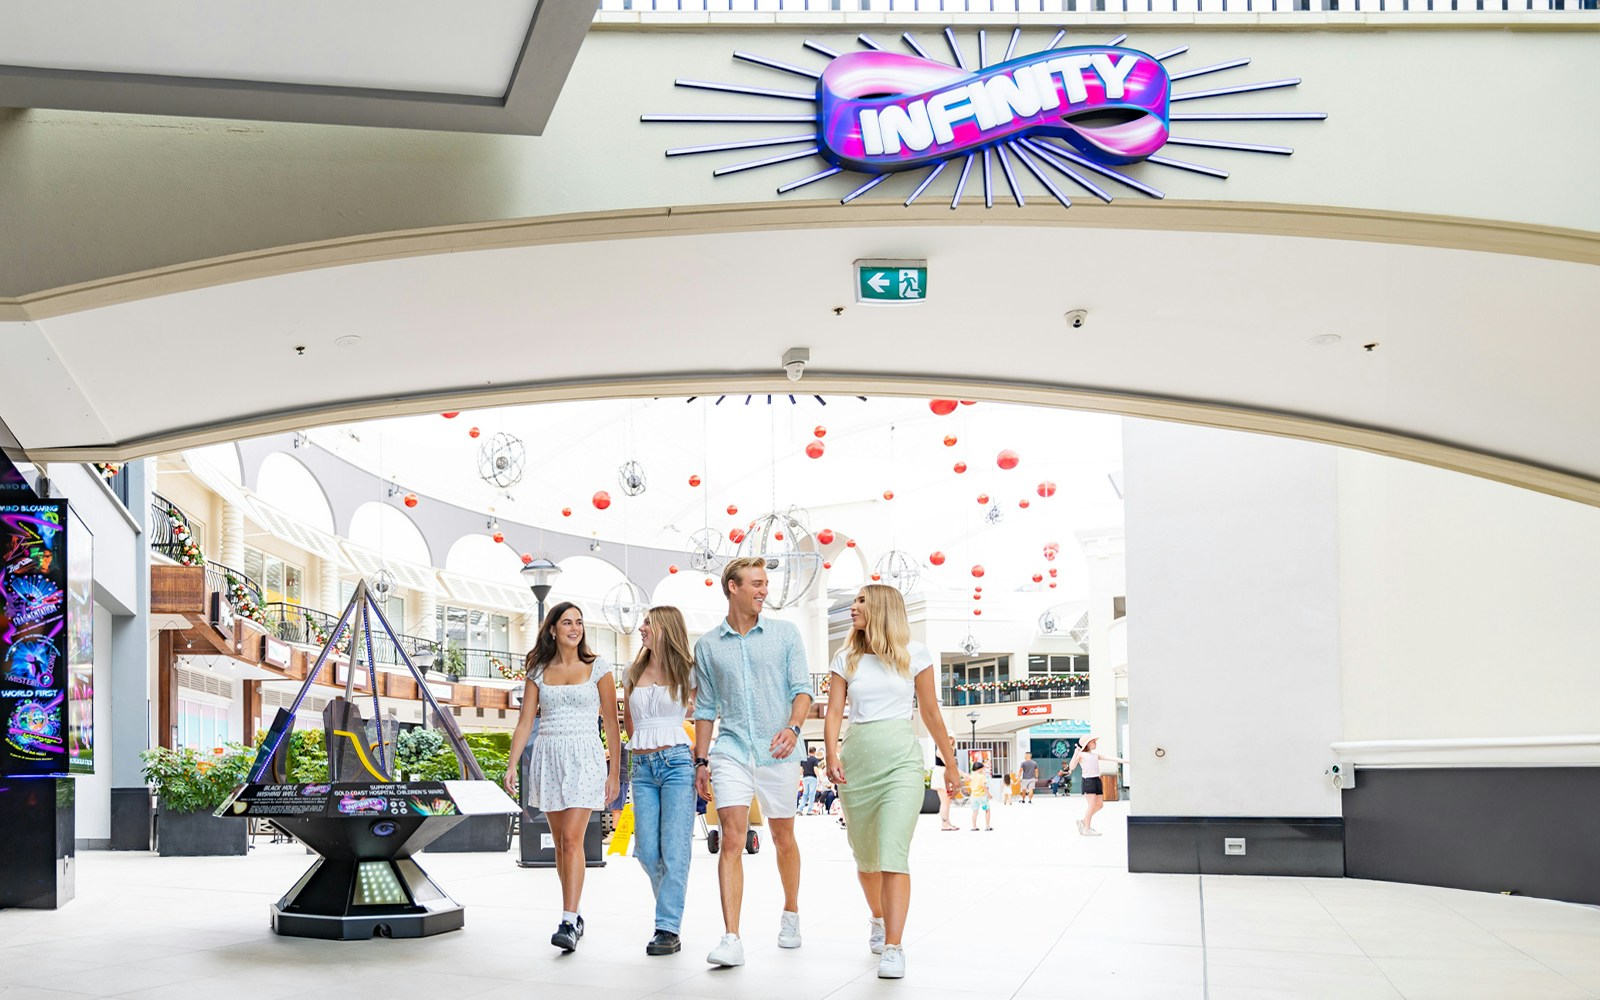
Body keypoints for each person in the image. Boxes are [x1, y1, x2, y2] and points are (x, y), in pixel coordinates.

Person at [825, 584, 961, 980]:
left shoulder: (915, 654)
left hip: (902, 763)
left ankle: (895, 946)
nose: (853, 607)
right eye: (854, 601)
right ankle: (878, 918)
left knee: (893, 854)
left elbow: (932, 712)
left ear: (882, 607)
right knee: (867, 860)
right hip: (856, 764)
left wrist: (949, 764)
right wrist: (831, 755)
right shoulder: (845, 657)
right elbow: (835, 712)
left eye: (861, 601)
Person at [692, 557, 813, 968]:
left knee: (783, 837)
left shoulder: (785, 634)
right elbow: (705, 707)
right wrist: (702, 761)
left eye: (765, 584)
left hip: (779, 749)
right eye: (757, 584)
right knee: (731, 837)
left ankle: (791, 913)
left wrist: (793, 729)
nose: (764, 591)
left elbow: (802, 690)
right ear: (733, 586)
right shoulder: (708, 645)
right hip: (731, 749)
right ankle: (731, 938)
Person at [504, 601, 621, 952]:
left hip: (585, 756)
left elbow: (612, 725)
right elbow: (526, 721)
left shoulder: (598, 667)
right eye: (567, 622)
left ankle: (568, 921)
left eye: (579, 622)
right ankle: (576, 911)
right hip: (549, 757)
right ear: (553, 629)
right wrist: (511, 765)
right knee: (560, 844)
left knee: (572, 839)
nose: (575, 628)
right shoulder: (538, 670)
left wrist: (615, 773)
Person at [621, 605, 696, 957]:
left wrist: (703, 762)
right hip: (643, 767)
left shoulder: (688, 673)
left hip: (678, 764)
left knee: (675, 848)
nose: (642, 628)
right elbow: (628, 723)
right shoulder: (632, 672)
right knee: (647, 850)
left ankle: (667, 927)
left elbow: (706, 713)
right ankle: (672, 907)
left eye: (648, 623)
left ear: (665, 627)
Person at [1069, 736, 1129, 836]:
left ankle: (1083, 821)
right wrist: (1076, 753)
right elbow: (1072, 766)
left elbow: (1111, 758)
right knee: (1091, 805)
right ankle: (1086, 829)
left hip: (1097, 780)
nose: (1096, 743)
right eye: (1093, 742)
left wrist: (1126, 761)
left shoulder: (1095, 755)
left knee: (1100, 805)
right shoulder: (1081, 755)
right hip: (1088, 781)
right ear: (1087, 744)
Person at [933, 750, 958, 831]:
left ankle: (947, 823)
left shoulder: (946, 750)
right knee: (945, 801)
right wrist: (963, 774)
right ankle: (945, 824)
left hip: (943, 774)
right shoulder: (940, 750)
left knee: (947, 801)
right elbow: (948, 765)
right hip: (941, 774)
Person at [967, 760, 993, 831]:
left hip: (974, 796)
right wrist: (988, 794)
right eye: (983, 768)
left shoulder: (971, 776)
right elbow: (983, 786)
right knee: (987, 810)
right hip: (982, 796)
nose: (984, 770)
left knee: (975, 811)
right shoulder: (982, 776)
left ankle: (974, 826)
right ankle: (987, 826)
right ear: (980, 768)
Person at [799, 746, 821, 814]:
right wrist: (819, 777)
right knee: (812, 794)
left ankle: (800, 809)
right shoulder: (814, 759)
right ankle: (809, 810)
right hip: (812, 778)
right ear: (814, 752)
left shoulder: (803, 759)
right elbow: (815, 769)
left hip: (805, 777)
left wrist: (803, 775)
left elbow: (801, 769)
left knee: (805, 793)